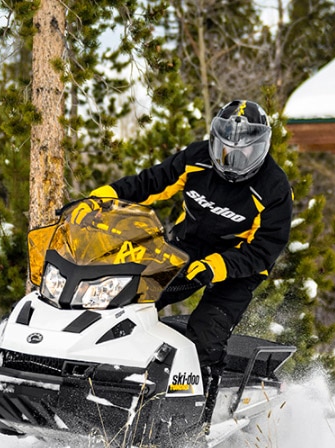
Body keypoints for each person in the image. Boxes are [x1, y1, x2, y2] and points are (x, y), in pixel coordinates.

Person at [85, 100, 292, 426]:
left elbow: (265, 249)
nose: (233, 161)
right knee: (128, 295)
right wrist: (100, 198)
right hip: (187, 248)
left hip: (240, 266)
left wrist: (216, 267)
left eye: (243, 154)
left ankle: (196, 425)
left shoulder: (273, 187)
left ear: (261, 148)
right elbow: (150, 183)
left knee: (206, 334)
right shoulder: (196, 159)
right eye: (225, 151)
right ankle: (103, 380)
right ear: (214, 143)